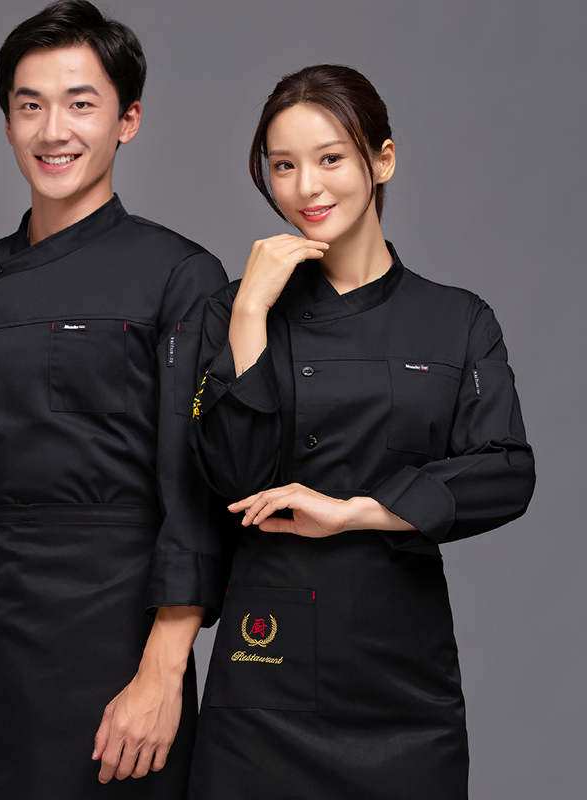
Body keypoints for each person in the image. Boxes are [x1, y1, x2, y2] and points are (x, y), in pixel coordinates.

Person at [0, 2, 230, 797]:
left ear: (127, 120)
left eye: (80, 104)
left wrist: (162, 675)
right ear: (7, 121)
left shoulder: (182, 276)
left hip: (119, 645)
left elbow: (196, 500)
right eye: (30, 105)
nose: (52, 131)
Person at [187, 64, 536, 799]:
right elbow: (233, 479)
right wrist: (249, 313)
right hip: (266, 666)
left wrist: (354, 512)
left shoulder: (457, 319)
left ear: (383, 160)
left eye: (330, 158)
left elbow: (506, 470)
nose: (306, 187)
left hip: (399, 675)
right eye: (283, 165)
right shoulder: (234, 312)